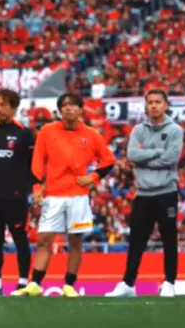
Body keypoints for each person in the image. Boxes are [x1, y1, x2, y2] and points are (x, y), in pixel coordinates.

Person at [12, 92, 115, 298]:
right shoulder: (47, 131)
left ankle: (69, 285)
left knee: (75, 241)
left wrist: (92, 177)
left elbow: (109, 160)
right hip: (53, 195)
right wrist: (36, 188)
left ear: (80, 109)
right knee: (44, 239)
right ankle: (35, 284)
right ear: (59, 111)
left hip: (78, 195)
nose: (68, 108)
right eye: (64, 106)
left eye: (73, 105)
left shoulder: (92, 135)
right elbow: (37, 160)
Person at [107, 89, 184, 298]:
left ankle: (169, 282)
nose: (154, 106)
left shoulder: (175, 130)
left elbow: (171, 158)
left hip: (166, 191)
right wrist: (157, 152)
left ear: (166, 105)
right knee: (137, 240)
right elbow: (132, 154)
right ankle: (128, 283)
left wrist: (145, 159)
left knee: (169, 238)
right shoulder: (138, 130)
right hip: (143, 193)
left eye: (158, 102)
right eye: (150, 102)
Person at [0, 89, 35, 297]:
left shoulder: (24, 133)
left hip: (16, 196)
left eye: (3, 105)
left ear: (13, 108)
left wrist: (26, 189)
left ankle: (22, 283)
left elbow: (32, 165)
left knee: (20, 238)